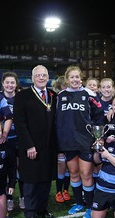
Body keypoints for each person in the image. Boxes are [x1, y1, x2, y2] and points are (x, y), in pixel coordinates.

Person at [56, 65, 104, 218]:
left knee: (86, 174)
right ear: (67, 79)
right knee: (74, 174)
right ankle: (78, 203)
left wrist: (99, 136)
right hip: (68, 141)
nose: (75, 80)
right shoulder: (60, 96)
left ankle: (90, 206)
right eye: (72, 77)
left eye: (77, 77)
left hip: (85, 141)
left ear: (81, 78)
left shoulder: (89, 94)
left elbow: (99, 116)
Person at [14, 65, 58, 218]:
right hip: (31, 146)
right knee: (31, 181)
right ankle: (30, 213)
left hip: (49, 146)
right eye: (38, 75)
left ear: (48, 77)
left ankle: (42, 208)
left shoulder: (53, 95)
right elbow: (20, 123)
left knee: (46, 179)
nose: (41, 78)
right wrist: (29, 145)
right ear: (32, 78)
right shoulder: (22, 96)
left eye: (44, 75)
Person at [0, 71, 25, 211]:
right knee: (6, 171)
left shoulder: (21, 98)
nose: (9, 85)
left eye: (12, 82)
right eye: (7, 82)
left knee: (21, 169)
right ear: (3, 83)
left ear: (16, 85)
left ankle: (22, 197)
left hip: (19, 139)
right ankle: (8, 198)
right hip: (4, 140)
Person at [52, 75, 71, 204]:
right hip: (59, 135)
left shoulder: (74, 97)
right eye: (65, 85)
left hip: (71, 136)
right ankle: (59, 190)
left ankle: (66, 190)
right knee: (61, 164)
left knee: (70, 165)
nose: (66, 87)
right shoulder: (56, 98)